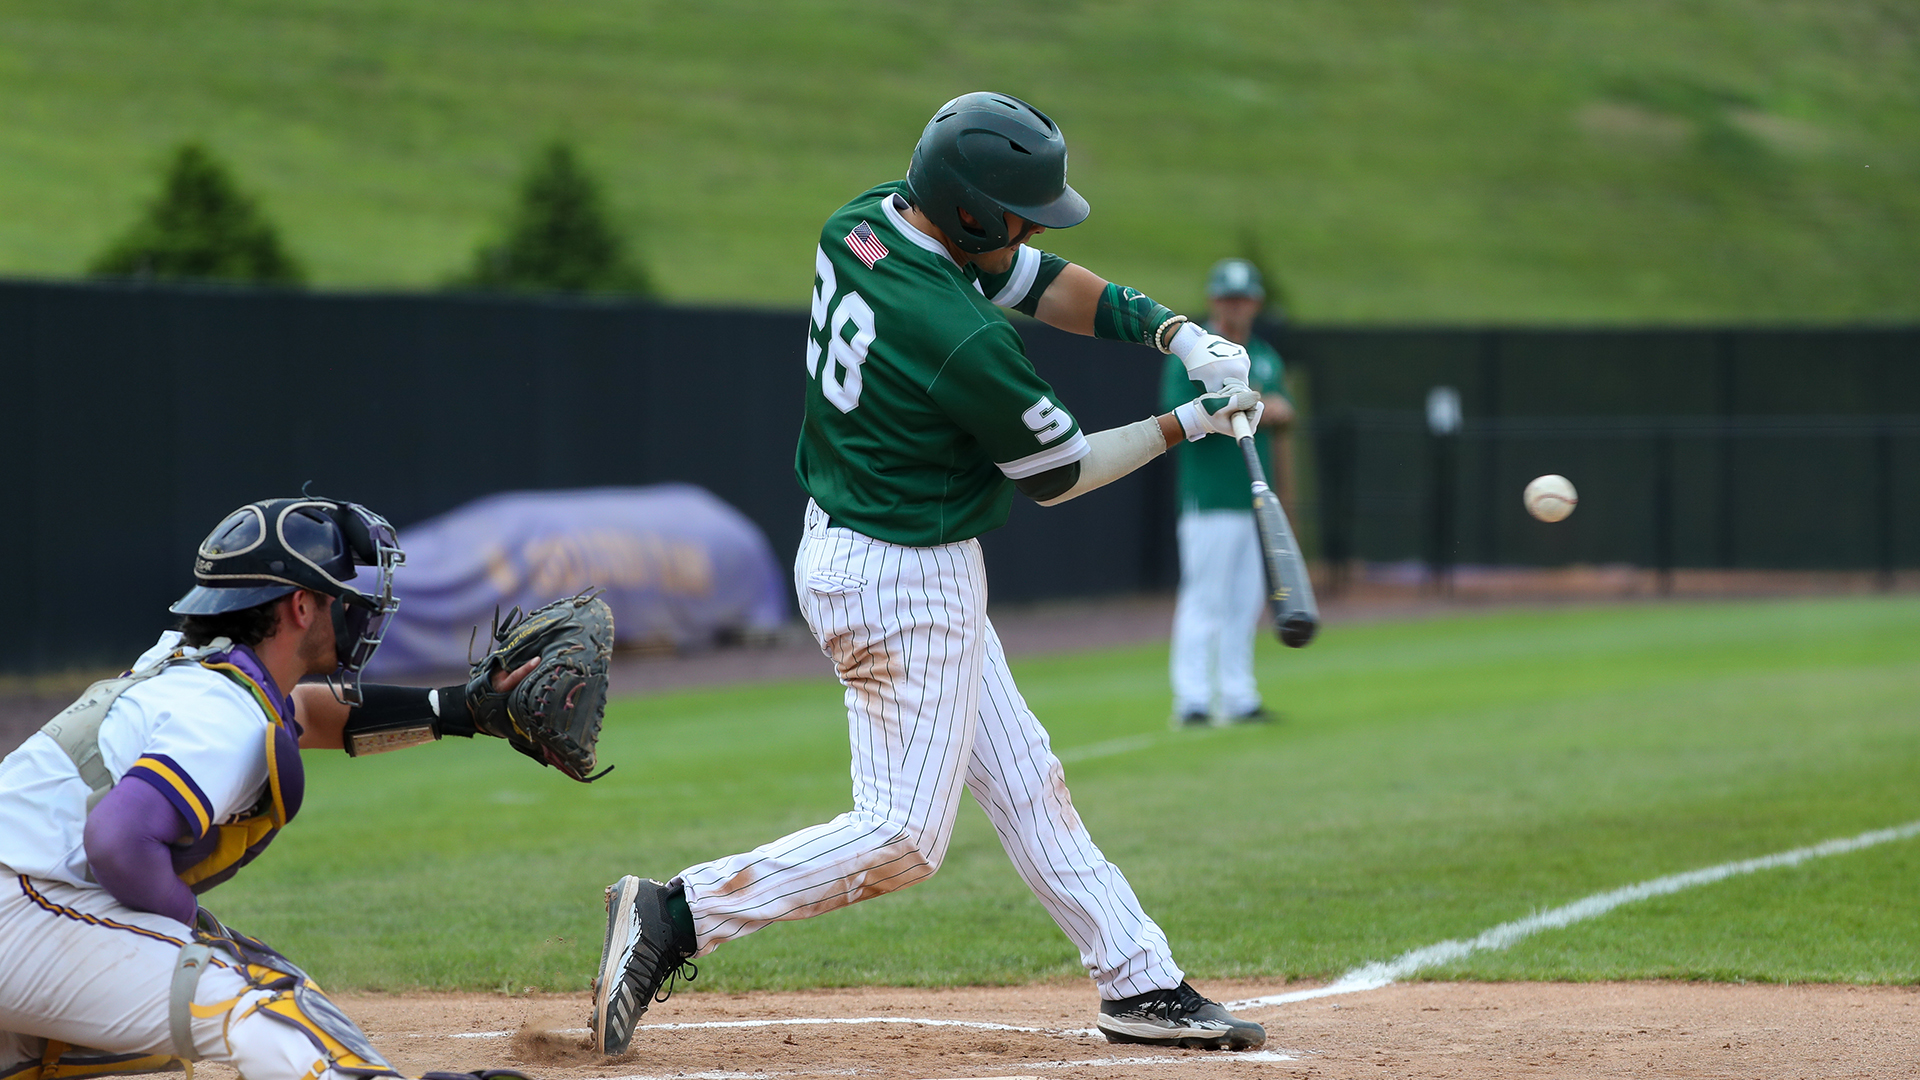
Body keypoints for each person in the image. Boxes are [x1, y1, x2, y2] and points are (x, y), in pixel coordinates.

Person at [590, 92, 1268, 1055]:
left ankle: (1139, 981)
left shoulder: (863, 222)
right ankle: (673, 914)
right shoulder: (961, 337)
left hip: (858, 544)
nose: (1032, 230)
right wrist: (1189, 421)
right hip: (903, 580)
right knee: (903, 836)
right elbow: (1062, 473)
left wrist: (1173, 334)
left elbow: (1033, 277)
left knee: (1027, 778)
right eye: (1019, 214)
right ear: (973, 215)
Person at [0, 496, 540, 1080]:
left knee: (259, 981)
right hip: (20, 905)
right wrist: (182, 922)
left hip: (31, 899)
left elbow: (301, 716)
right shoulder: (223, 711)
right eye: (337, 595)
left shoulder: (189, 668)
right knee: (258, 997)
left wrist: (460, 710)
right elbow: (117, 840)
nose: (352, 608)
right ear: (302, 606)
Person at [1161, 258, 1296, 726]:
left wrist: (1274, 406)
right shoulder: (1196, 350)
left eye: (1242, 298)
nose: (1235, 307)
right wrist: (1255, 400)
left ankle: (1239, 696)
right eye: (1227, 298)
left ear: (1255, 303)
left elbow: (1282, 410)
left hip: (1253, 497)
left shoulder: (1264, 353)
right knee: (1205, 597)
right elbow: (1178, 411)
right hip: (1210, 495)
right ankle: (1193, 699)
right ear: (1213, 301)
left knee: (1246, 600)